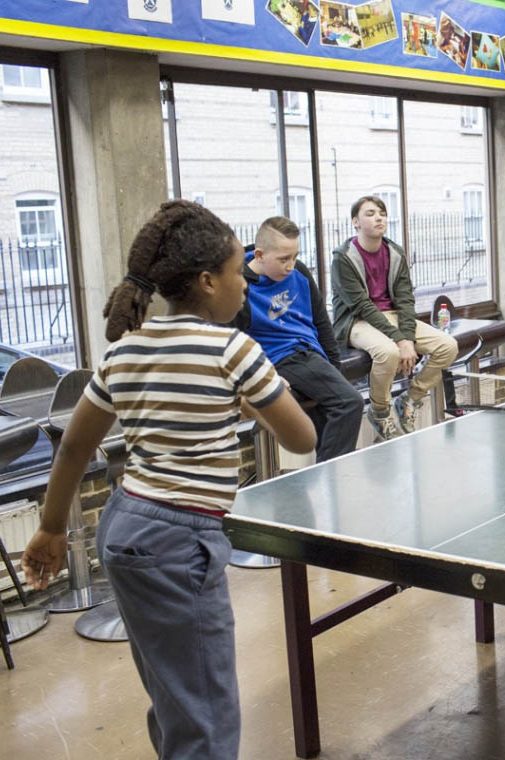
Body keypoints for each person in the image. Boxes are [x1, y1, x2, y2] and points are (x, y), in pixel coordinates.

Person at [21, 200, 316, 759]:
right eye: (236, 274)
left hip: (125, 528)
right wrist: (254, 402)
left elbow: (77, 446)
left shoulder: (123, 351)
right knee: (206, 713)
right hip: (180, 540)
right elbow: (302, 438)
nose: (244, 287)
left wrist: (51, 528)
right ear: (207, 282)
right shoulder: (234, 350)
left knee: (174, 691)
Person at [234, 216, 362, 463]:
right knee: (350, 402)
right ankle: (329, 479)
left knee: (331, 426)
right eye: (283, 259)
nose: (290, 265)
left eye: (294, 256)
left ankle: (330, 490)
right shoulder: (240, 286)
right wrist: (266, 374)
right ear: (259, 255)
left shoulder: (300, 272)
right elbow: (235, 343)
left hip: (310, 355)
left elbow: (322, 323)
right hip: (282, 359)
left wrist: (336, 370)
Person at [331, 195, 458, 441]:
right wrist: (399, 341)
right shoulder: (343, 258)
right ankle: (379, 410)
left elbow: (405, 299)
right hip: (357, 321)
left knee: (447, 346)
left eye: (382, 213)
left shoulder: (395, 253)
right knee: (388, 352)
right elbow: (362, 306)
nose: (378, 217)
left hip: (394, 316)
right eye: (370, 213)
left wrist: (407, 338)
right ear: (355, 222)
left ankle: (410, 399)